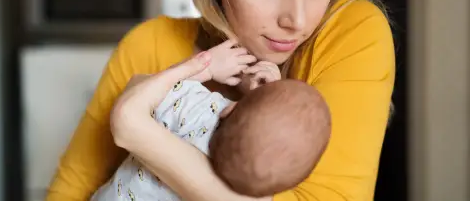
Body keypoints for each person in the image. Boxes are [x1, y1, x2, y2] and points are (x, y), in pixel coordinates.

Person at [46, 0, 396, 200]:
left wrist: (136, 129)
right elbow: (69, 192)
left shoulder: (353, 32)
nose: (298, 21)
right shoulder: (149, 45)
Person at [89, 42, 331, 200]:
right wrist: (262, 103)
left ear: (230, 109)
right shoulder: (260, 190)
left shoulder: (201, 112)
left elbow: (139, 91)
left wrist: (204, 69)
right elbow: (266, 133)